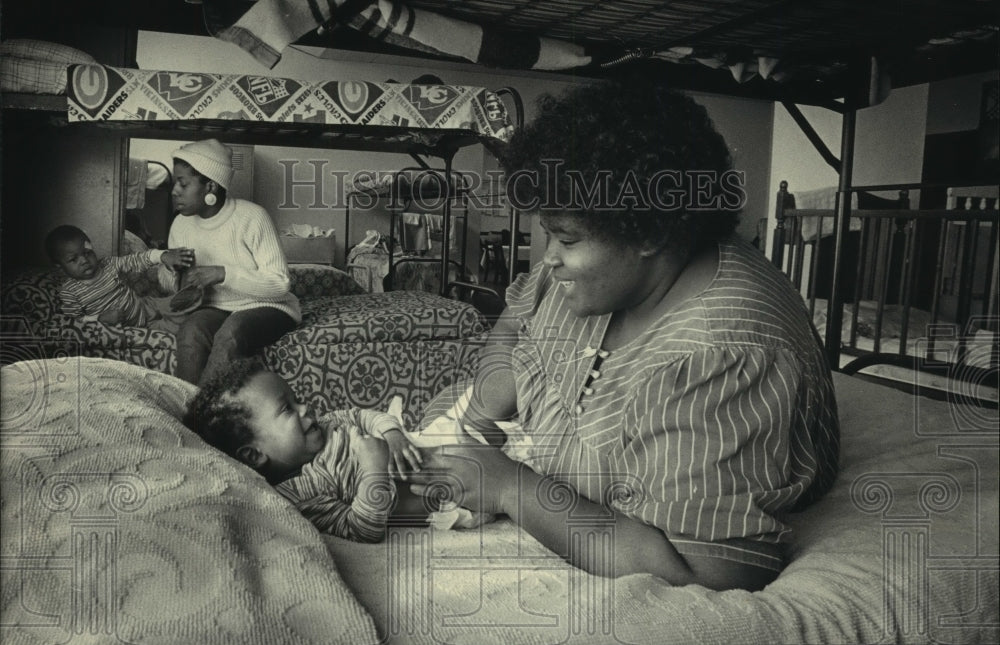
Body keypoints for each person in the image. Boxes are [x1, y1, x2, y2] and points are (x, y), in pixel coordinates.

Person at [408, 77, 840, 592]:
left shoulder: (720, 356)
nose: (548, 256)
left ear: (652, 232)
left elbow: (706, 569)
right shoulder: (602, 273)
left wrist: (509, 487)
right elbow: (517, 323)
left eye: (566, 238)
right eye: (548, 232)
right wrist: (487, 397)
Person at [184, 359, 427, 543]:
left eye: (297, 398)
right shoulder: (300, 496)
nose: (305, 407)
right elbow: (362, 529)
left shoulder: (328, 423)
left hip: (419, 444)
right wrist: (374, 472)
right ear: (254, 455)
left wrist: (392, 435)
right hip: (427, 494)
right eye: (287, 409)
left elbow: (363, 416)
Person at [159, 138, 301, 385]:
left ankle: (205, 413)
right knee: (191, 331)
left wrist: (223, 274)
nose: (174, 191)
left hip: (270, 307)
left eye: (182, 183)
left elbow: (280, 285)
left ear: (210, 187)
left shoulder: (252, 217)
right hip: (215, 308)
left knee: (231, 332)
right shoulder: (180, 224)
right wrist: (172, 272)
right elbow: (176, 293)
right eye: (175, 183)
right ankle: (186, 410)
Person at [45, 224, 194, 330]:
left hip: (146, 305)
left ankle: (192, 296)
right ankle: (185, 314)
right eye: (73, 259)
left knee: (177, 303)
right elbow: (73, 324)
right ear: (60, 267)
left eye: (87, 252)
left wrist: (163, 255)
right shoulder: (70, 293)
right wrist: (99, 318)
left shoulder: (108, 264)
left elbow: (136, 260)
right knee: (181, 324)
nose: (84, 260)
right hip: (137, 327)